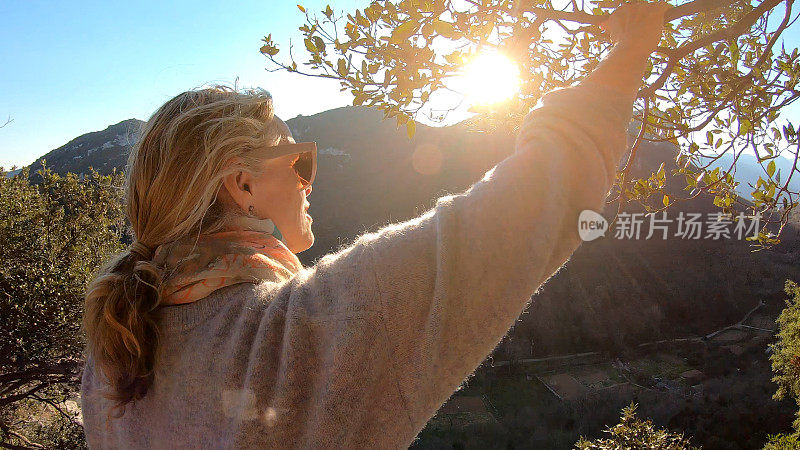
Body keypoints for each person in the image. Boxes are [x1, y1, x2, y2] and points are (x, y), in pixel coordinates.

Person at [80, 1, 672, 447]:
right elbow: (521, 209)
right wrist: (632, 50)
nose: (311, 179)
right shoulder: (288, 343)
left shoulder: (110, 362)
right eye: (298, 159)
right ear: (243, 187)